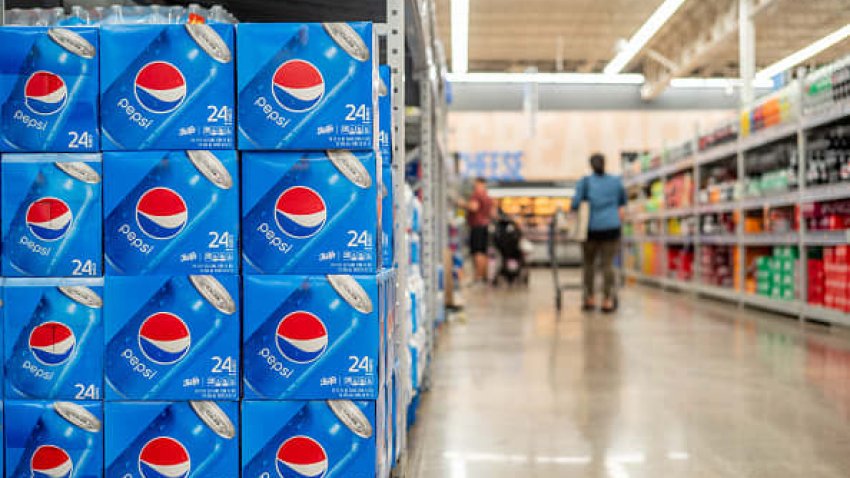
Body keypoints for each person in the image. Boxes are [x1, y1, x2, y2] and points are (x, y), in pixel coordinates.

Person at [571, 153, 626, 313]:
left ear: (591, 165)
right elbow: (622, 202)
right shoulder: (616, 182)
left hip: (590, 229)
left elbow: (575, 204)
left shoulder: (585, 182)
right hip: (611, 227)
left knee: (589, 265)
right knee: (608, 265)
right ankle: (608, 300)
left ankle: (590, 298)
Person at [462, 177, 494, 285]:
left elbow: (474, 207)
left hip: (477, 226)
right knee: (483, 252)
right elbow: (493, 213)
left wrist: (462, 204)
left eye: (475, 184)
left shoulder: (476, 195)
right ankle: (484, 277)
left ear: (480, 183)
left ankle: (478, 277)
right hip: (485, 226)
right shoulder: (488, 197)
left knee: (477, 252)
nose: (474, 186)